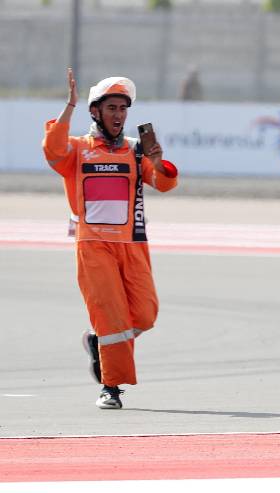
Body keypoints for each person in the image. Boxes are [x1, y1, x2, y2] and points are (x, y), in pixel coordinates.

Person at [42, 69, 179, 409]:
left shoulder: (135, 151)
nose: (118, 115)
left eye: (123, 109)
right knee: (113, 319)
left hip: (133, 245)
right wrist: (70, 105)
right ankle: (111, 387)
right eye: (112, 108)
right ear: (95, 112)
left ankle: (96, 342)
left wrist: (158, 163)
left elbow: (164, 184)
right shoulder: (77, 150)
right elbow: (52, 149)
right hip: (93, 246)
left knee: (145, 315)